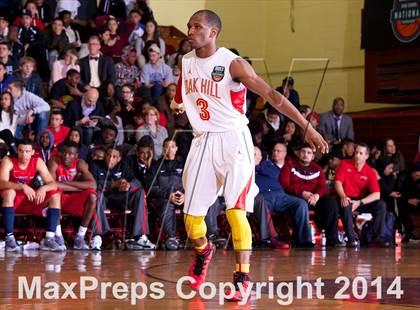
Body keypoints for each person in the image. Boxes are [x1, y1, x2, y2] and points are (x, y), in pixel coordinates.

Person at [170, 10, 328, 301]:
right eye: (188, 26)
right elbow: (182, 90)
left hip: (234, 141)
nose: (190, 31)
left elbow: (273, 96)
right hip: (202, 141)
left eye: (196, 26)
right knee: (192, 220)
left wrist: (307, 128)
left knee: (235, 210)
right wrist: (178, 102)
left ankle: (242, 278)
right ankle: (204, 251)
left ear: (213, 32)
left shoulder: (233, 64)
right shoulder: (187, 61)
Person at [0, 138, 64, 252]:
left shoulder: (37, 161)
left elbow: (53, 184)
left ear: (33, 152)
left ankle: (49, 238)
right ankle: (9, 238)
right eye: (20, 151)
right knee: (9, 192)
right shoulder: (8, 160)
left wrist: (43, 188)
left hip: (28, 197)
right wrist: (21, 186)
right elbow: (1, 183)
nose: (23, 154)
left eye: (27, 151)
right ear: (17, 151)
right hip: (10, 199)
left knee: (55, 194)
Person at [280, 143, 343, 246]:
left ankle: (332, 239)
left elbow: (322, 187)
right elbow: (285, 185)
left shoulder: (317, 169)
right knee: (301, 204)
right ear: (298, 154)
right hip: (296, 198)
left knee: (331, 202)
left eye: (309, 153)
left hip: (313, 199)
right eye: (303, 152)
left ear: (313, 156)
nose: (305, 155)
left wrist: (316, 196)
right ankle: (303, 241)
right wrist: (302, 193)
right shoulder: (289, 165)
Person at [48, 141, 108, 250]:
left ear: (76, 156)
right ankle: (58, 235)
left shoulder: (80, 163)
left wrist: (64, 184)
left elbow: (93, 184)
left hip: (73, 198)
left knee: (92, 196)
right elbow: (51, 184)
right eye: (65, 153)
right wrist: (78, 186)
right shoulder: (54, 161)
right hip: (57, 198)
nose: (67, 156)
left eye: (70, 154)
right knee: (54, 193)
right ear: (61, 153)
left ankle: (80, 236)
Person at [334, 143, 389, 247]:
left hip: (360, 200)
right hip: (345, 196)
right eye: (356, 152)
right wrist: (343, 196)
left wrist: (359, 202)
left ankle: (378, 238)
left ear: (366, 156)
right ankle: (351, 238)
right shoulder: (344, 164)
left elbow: (377, 194)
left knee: (381, 204)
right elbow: (337, 183)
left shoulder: (370, 171)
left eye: (360, 153)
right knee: (346, 203)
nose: (357, 155)